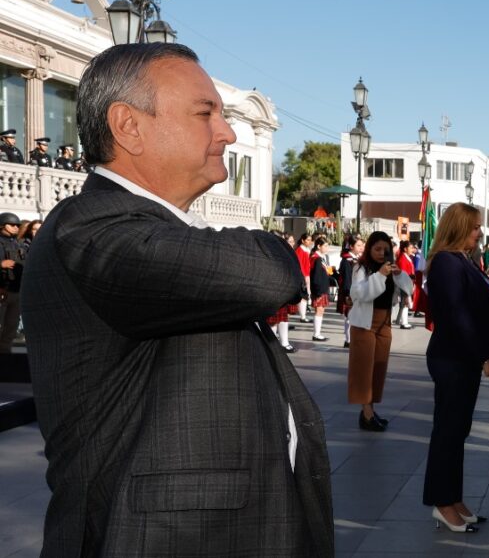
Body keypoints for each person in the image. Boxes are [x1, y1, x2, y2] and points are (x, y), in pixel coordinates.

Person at [22, 43, 332, 556]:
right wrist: (271, 248)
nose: (227, 132)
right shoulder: (91, 225)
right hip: (150, 539)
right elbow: (265, 275)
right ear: (129, 126)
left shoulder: (150, 228)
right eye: (204, 113)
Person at [422, 202, 489, 533]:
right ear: (460, 228)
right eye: (475, 227)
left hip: (463, 358)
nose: (479, 232)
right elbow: (457, 316)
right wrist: (481, 358)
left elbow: (485, 313)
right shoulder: (446, 262)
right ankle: (442, 504)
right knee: (447, 431)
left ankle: (453, 498)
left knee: (458, 430)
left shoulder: (464, 261)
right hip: (452, 358)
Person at [348, 231, 413, 432]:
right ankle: (366, 414)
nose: (381, 253)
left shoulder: (389, 267)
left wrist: (398, 274)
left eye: (384, 249)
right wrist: (380, 275)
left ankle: (370, 409)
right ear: (369, 248)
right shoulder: (361, 267)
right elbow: (359, 293)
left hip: (385, 322)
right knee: (363, 369)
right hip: (364, 322)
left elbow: (409, 288)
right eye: (377, 249)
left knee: (378, 368)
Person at [0, 212, 25, 353]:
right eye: (12, 225)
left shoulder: (18, 244)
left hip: (16, 291)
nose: (16, 227)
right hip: (2, 290)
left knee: (11, 327)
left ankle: (5, 357)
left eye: (17, 225)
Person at [338, 234, 363, 347]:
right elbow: (347, 278)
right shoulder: (347, 260)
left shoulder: (357, 259)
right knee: (349, 316)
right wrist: (348, 294)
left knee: (355, 316)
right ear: (352, 246)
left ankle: (353, 338)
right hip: (349, 292)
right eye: (358, 245)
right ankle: (348, 340)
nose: (361, 247)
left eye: (362, 245)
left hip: (358, 290)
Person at [308, 236, 333, 341]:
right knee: (319, 310)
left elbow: (327, 271)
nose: (327, 248)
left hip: (323, 287)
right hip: (319, 289)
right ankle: (316, 334)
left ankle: (318, 333)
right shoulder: (316, 259)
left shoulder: (323, 257)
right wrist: (317, 291)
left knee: (321, 310)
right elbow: (316, 277)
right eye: (325, 246)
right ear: (318, 246)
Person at [395, 240, 416, 329]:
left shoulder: (407, 257)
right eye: (410, 247)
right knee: (405, 303)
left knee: (405, 303)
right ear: (405, 249)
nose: (412, 249)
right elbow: (403, 274)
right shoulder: (402, 259)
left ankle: (399, 320)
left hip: (408, 283)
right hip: (404, 283)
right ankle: (404, 322)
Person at [295, 232, 314, 322]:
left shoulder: (306, 250)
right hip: (303, 275)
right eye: (308, 240)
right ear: (303, 240)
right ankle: (302, 316)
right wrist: (304, 276)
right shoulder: (300, 250)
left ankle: (304, 314)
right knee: (303, 295)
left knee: (306, 294)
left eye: (310, 240)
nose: (309, 242)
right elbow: (299, 264)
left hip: (307, 274)